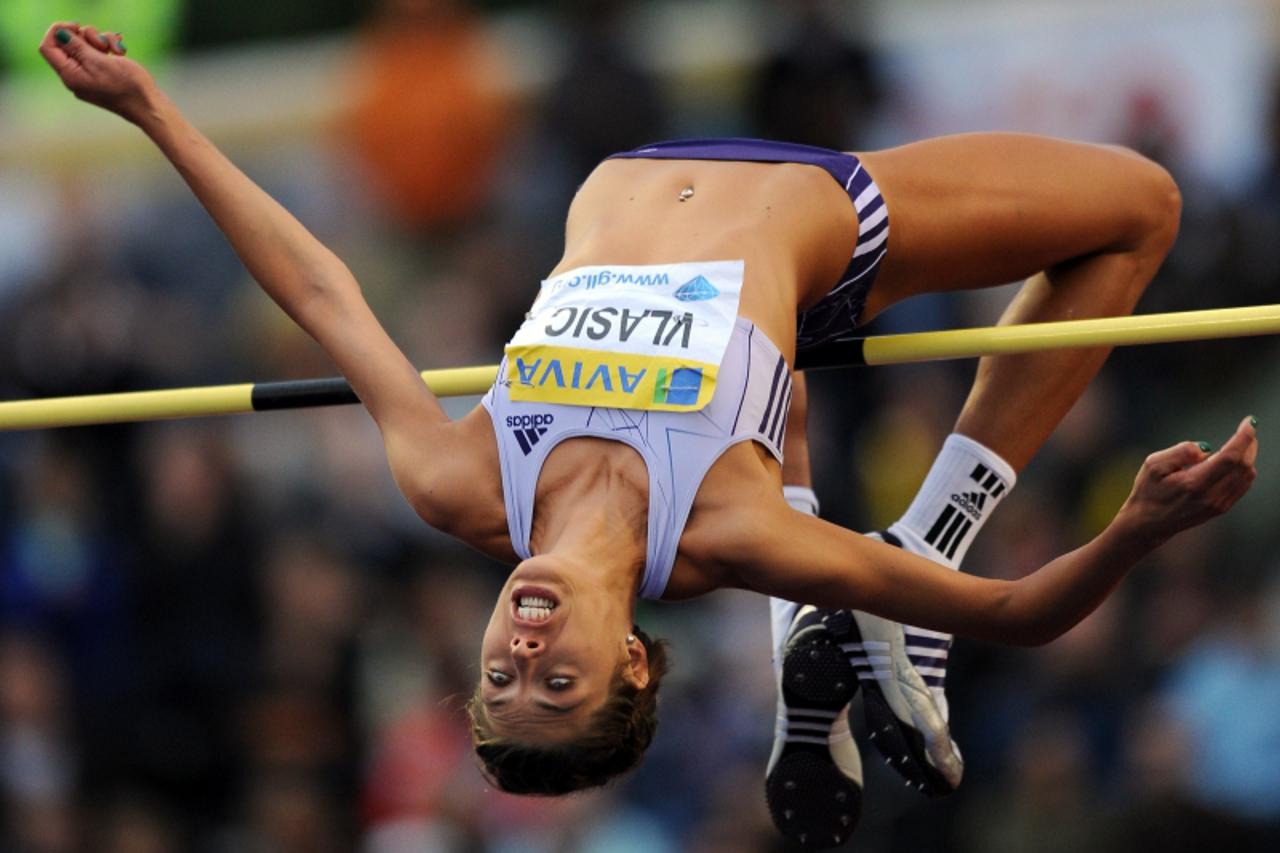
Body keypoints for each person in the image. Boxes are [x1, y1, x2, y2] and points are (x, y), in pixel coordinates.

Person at [39, 21, 1259, 826]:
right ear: (628, 662)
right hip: (821, 212)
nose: (519, 651)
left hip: (634, 168)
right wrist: (1135, 532)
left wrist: (156, 115)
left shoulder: (461, 484)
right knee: (1139, 207)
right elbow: (1020, 614)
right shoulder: (726, 529)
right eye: (553, 681)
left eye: (497, 676)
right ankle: (919, 547)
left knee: (771, 411)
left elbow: (320, 292)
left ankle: (841, 623)